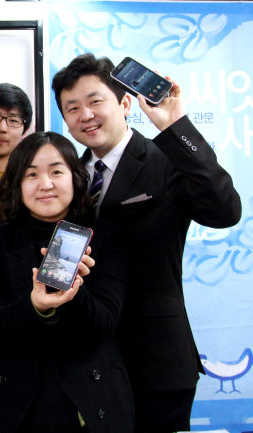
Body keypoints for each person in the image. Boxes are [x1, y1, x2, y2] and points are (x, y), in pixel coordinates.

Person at [51, 53, 242, 433]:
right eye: (72, 108)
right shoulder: (65, 174)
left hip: (154, 355)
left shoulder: (167, 159)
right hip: (85, 357)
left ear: (124, 102)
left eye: (94, 101)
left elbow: (225, 211)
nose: (85, 115)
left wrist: (176, 126)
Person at [0, 132, 133, 433]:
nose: (45, 184)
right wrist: (35, 307)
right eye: (31, 174)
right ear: (17, 182)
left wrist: (74, 293)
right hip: (13, 401)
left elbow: (105, 322)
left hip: (90, 401)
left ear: (75, 177)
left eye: (56, 171)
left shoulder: (106, 235)